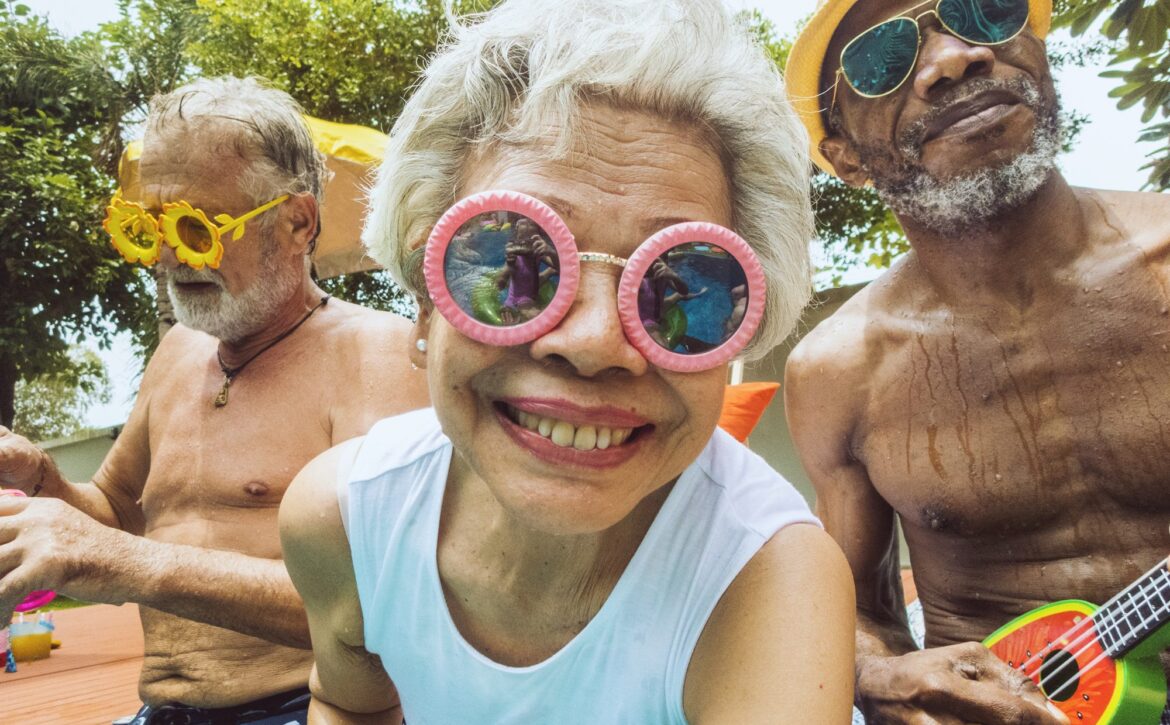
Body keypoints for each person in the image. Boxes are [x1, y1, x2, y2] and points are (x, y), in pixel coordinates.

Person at [279, 0, 856, 722]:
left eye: (683, 289)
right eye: (513, 263)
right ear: (425, 303)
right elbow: (347, 702)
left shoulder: (768, 580)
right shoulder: (344, 515)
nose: (591, 342)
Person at [783, 0, 1170, 723]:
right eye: (881, 60)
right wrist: (881, 675)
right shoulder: (839, 372)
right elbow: (856, 614)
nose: (957, 57)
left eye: (985, 10)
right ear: (847, 159)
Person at [0, 76, 428, 723]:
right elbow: (116, 512)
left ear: (296, 222)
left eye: (196, 229)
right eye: (147, 230)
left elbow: (382, 605)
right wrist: (45, 478)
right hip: (158, 710)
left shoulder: (377, 355)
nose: (167, 258)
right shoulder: (177, 353)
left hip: (300, 707)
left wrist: (125, 562)